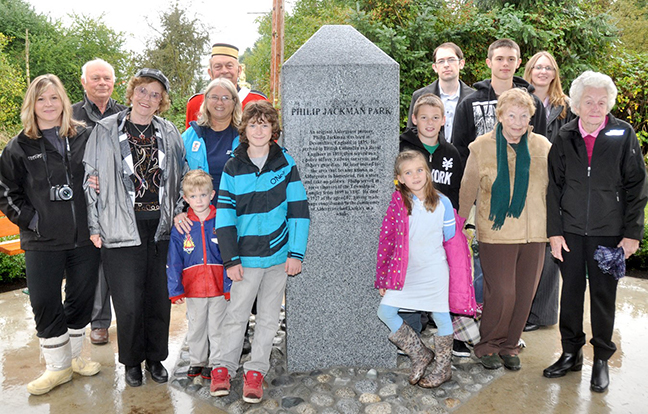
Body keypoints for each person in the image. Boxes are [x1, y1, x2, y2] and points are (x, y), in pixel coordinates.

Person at [543, 71, 648, 393]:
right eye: (588, 101)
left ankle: (601, 358)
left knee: (604, 297)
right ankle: (570, 353)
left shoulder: (623, 134)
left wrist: (632, 233)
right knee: (570, 295)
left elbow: (636, 185)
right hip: (571, 232)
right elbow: (553, 188)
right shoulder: (564, 136)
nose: (595, 107)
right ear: (576, 103)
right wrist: (555, 232)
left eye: (602, 101)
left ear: (609, 104)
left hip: (609, 235)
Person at [83, 68, 187, 388]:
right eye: (142, 91)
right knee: (128, 301)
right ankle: (131, 361)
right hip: (119, 226)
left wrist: (180, 212)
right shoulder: (105, 130)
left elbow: (181, 177)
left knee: (157, 297)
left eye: (155, 94)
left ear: (162, 101)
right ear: (131, 93)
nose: (147, 98)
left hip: (160, 228)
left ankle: (155, 358)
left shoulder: (169, 132)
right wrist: (94, 224)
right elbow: (90, 180)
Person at [0, 74, 101, 395]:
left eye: (54, 98)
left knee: (81, 298)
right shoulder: (18, 146)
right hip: (42, 240)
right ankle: (56, 368)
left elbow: (105, 171)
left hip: (85, 237)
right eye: (41, 99)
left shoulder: (84, 136)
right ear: (32, 104)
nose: (48, 104)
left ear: (64, 102)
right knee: (44, 301)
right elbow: (5, 192)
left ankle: (72, 360)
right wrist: (32, 220)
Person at [210, 101, 310, 403]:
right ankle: (223, 368)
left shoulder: (286, 164)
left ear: (273, 130)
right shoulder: (232, 167)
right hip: (245, 259)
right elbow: (225, 217)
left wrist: (296, 253)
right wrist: (231, 259)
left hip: (279, 258)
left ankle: (256, 371)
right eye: (253, 124)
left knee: (268, 317)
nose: (258, 129)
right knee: (237, 315)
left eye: (265, 124)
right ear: (244, 129)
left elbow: (299, 211)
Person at [458, 88, 551, 371]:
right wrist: (459, 228)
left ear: (531, 117)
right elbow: (467, 191)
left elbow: (555, 189)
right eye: (511, 115)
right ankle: (488, 345)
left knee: (525, 293)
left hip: (535, 232)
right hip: (496, 234)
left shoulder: (543, 147)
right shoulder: (481, 147)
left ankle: (510, 345)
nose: (517, 121)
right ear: (500, 115)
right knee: (502, 293)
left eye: (524, 115)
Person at [375, 150, 457, 388]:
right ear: (400, 178)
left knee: (441, 316)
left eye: (420, 170)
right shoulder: (398, 203)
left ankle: (444, 368)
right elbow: (387, 240)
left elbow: (450, 238)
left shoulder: (443, 202)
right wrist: (383, 278)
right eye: (409, 173)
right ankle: (419, 353)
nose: (416, 176)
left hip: (434, 270)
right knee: (386, 311)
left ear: (428, 172)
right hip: (406, 272)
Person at [72, 58, 128, 345]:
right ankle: (99, 322)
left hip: (119, 202)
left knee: (120, 261)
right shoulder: (70, 116)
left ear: (114, 82)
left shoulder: (125, 114)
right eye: (96, 78)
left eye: (107, 78)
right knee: (93, 264)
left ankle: (128, 317)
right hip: (84, 202)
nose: (102, 83)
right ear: (84, 82)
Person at [521, 51, 574, 332]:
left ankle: (542, 314)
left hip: (555, 182)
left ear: (555, 73)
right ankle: (522, 309)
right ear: (529, 71)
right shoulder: (520, 100)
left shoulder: (566, 106)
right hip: (524, 181)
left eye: (548, 67)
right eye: (538, 67)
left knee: (550, 246)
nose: (542, 71)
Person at [167, 169, 231, 384]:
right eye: (193, 196)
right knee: (196, 325)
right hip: (193, 287)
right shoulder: (181, 227)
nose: (199, 200)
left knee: (217, 326)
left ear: (212, 194)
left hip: (218, 286)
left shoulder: (221, 221)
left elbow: (231, 255)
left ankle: (216, 362)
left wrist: (230, 285)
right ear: (185, 199)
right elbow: (174, 260)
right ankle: (197, 360)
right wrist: (175, 289)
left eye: (203, 194)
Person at [453, 38, 547, 166]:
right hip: (482, 178)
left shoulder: (533, 103)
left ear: (518, 63)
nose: (505, 64)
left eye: (511, 59)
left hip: (524, 177)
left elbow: (539, 145)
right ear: (489, 62)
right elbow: (460, 150)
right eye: (499, 59)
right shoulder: (469, 103)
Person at [177, 77, 242, 214]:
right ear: (206, 100)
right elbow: (176, 178)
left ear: (234, 102)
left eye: (225, 97)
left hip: (238, 216)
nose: (220, 102)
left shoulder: (245, 136)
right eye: (214, 97)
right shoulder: (190, 136)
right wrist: (180, 212)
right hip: (200, 218)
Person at [185, 43, 266, 129]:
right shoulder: (196, 103)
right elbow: (190, 140)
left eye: (229, 66)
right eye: (218, 67)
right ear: (210, 73)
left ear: (239, 71)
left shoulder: (258, 101)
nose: (224, 71)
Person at [406, 42, 475, 143]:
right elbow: (411, 135)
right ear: (434, 67)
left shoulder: (474, 98)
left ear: (461, 64)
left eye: (451, 60)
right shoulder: (419, 97)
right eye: (441, 61)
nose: (446, 65)